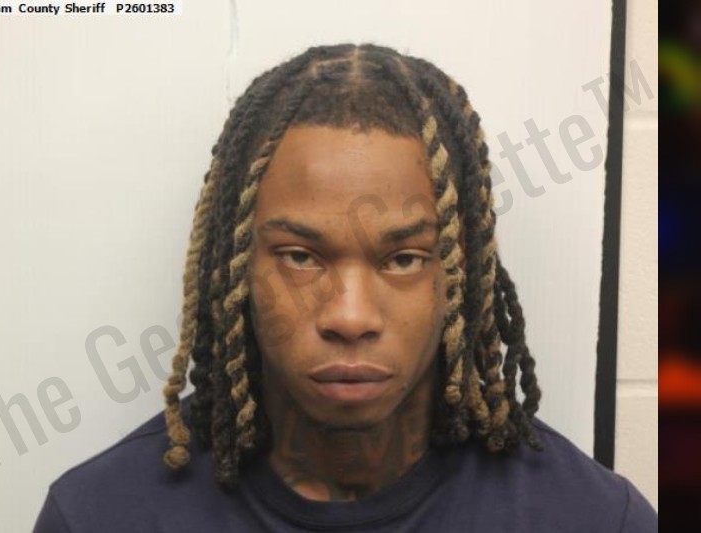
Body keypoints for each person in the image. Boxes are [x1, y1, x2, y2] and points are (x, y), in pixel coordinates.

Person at [33, 43, 657, 532]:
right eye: (301, 257)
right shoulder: (98, 517)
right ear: (236, 268)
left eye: (404, 259)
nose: (350, 316)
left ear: (459, 274)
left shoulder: (594, 520)